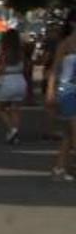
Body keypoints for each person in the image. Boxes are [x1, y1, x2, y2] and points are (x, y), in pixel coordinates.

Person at [47, 22, 76, 181]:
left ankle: (59, 167)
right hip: (69, 90)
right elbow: (55, 69)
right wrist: (51, 91)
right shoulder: (65, 44)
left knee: (69, 134)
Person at [0, 28, 28, 144]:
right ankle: (15, 131)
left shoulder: (5, 51)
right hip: (20, 79)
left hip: (8, 80)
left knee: (0, 108)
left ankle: (12, 129)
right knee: (16, 109)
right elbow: (27, 67)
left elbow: (0, 68)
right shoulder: (21, 51)